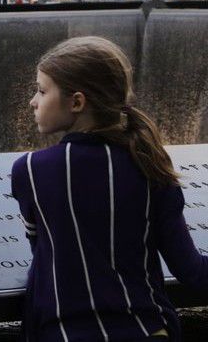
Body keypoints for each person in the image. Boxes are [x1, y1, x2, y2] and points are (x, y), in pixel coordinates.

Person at [11, 36, 208, 341]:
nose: (33, 102)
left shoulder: (31, 172)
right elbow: (192, 271)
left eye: (41, 91)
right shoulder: (149, 162)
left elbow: (44, 257)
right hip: (149, 330)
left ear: (77, 102)